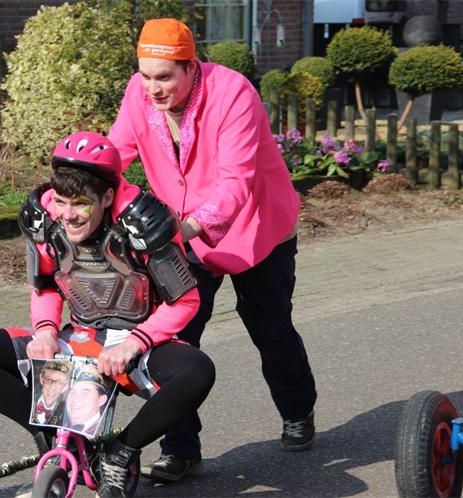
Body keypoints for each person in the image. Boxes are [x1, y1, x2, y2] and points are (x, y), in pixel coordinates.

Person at [0, 131, 216, 498]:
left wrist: (134, 344)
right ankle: (49, 434)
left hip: (137, 341)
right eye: (60, 201)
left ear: (107, 197)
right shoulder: (44, 220)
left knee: (197, 371)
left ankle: (119, 453)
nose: (67, 215)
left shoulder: (145, 224)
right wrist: (44, 331)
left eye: (81, 204)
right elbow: (45, 287)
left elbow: (185, 301)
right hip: (79, 336)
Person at [107, 18, 318, 482]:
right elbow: (115, 154)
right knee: (173, 340)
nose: (153, 88)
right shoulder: (139, 93)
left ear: (191, 67)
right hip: (181, 232)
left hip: (256, 226)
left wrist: (184, 229)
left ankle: (297, 410)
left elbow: (236, 181)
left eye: (165, 77)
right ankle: (180, 448)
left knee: (269, 327)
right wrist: (73, 192)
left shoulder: (233, 92)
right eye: (146, 76)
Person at [61, 363, 111, 436]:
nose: (75, 399)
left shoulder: (108, 430)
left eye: (85, 393)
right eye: (72, 392)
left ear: (101, 400)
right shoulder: (57, 426)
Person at [33, 360, 70, 425]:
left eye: (59, 383)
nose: (52, 387)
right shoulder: (28, 397)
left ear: (65, 386)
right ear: (41, 378)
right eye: (49, 379)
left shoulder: (67, 414)